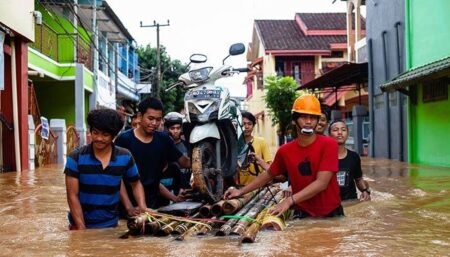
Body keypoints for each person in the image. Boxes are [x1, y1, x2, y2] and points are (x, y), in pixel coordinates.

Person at [225, 94, 343, 218]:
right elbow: (269, 174)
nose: (308, 122)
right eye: (303, 117)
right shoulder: (285, 150)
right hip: (302, 212)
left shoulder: (329, 145)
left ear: (318, 120)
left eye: (313, 118)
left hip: (331, 213)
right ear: (294, 120)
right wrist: (240, 191)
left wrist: (289, 200)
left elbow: (321, 183)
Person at [64, 109, 148, 229]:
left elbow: (136, 183)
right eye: (95, 133)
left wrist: (142, 206)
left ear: (114, 136)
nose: (99, 138)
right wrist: (81, 232)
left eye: (105, 135)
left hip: (111, 225)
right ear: (90, 131)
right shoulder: (75, 158)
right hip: (79, 225)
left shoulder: (125, 156)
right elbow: (72, 196)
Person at [115, 97, 190, 211]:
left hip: (153, 207)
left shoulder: (164, 140)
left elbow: (185, 163)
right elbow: (117, 177)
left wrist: (202, 154)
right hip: (127, 208)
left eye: (158, 119)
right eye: (150, 118)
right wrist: (129, 207)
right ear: (140, 116)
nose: (154, 123)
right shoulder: (124, 139)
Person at [328, 120, 371, 201]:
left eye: (343, 130)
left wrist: (365, 191)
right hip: (330, 204)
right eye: (335, 130)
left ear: (347, 134)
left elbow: (358, 179)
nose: (340, 132)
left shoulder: (354, 156)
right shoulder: (323, 157)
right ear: (329, 135)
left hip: (351, 201)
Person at [237, 111, 272, 185]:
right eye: (243, 124)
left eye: (249, 124)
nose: (246, 127)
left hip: (257, 187)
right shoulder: (234, 144)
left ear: (253, 125)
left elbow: (270, 166)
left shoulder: (261, 142)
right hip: (238, 187)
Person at [163, 112, 191, 189]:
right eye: (172, 128)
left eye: (178, 128)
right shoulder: (164, 147)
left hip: (187, 185)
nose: (175, 131)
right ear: (167, 129)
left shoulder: (187, 145)